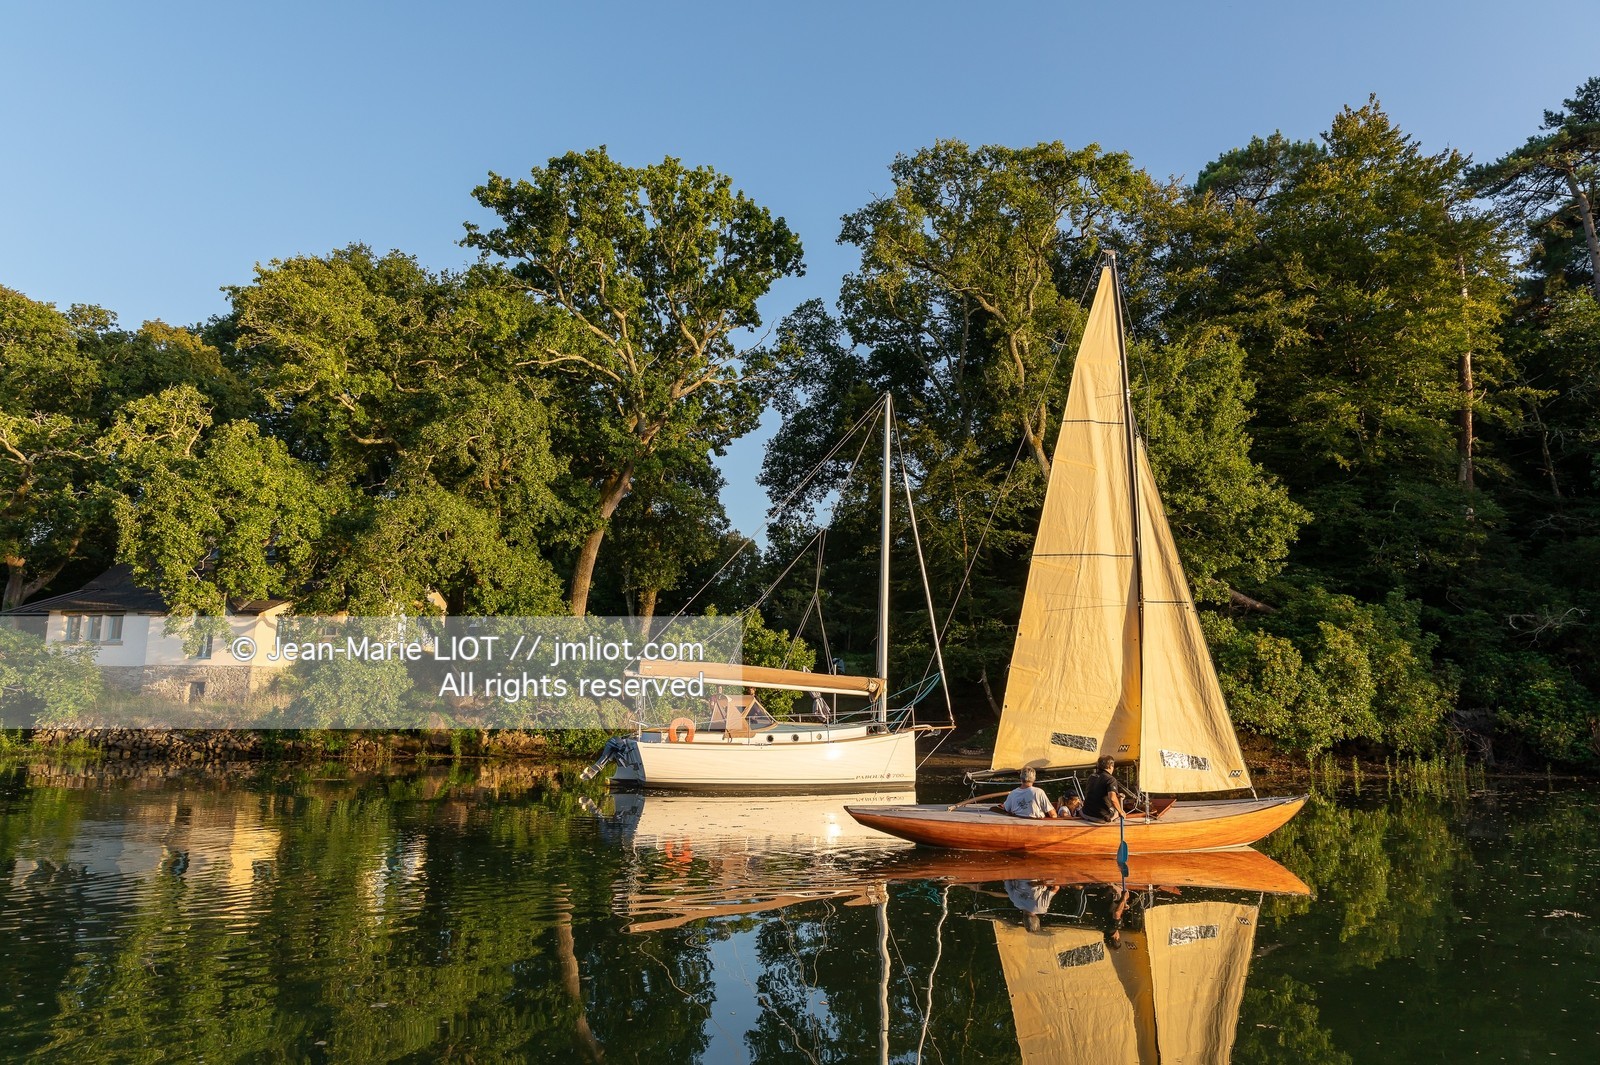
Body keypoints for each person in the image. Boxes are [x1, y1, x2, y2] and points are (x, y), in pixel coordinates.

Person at [1081, 756, 1128, 822]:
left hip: (1085, 813)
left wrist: (1116, 795)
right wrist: (1121, 812)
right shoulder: (1110, 779)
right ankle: (1110, 824)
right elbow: (1112, 798)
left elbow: (1097, 793)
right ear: (1110, 766)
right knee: (1117, 811)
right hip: (1100, 817)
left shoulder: (1091, 776)